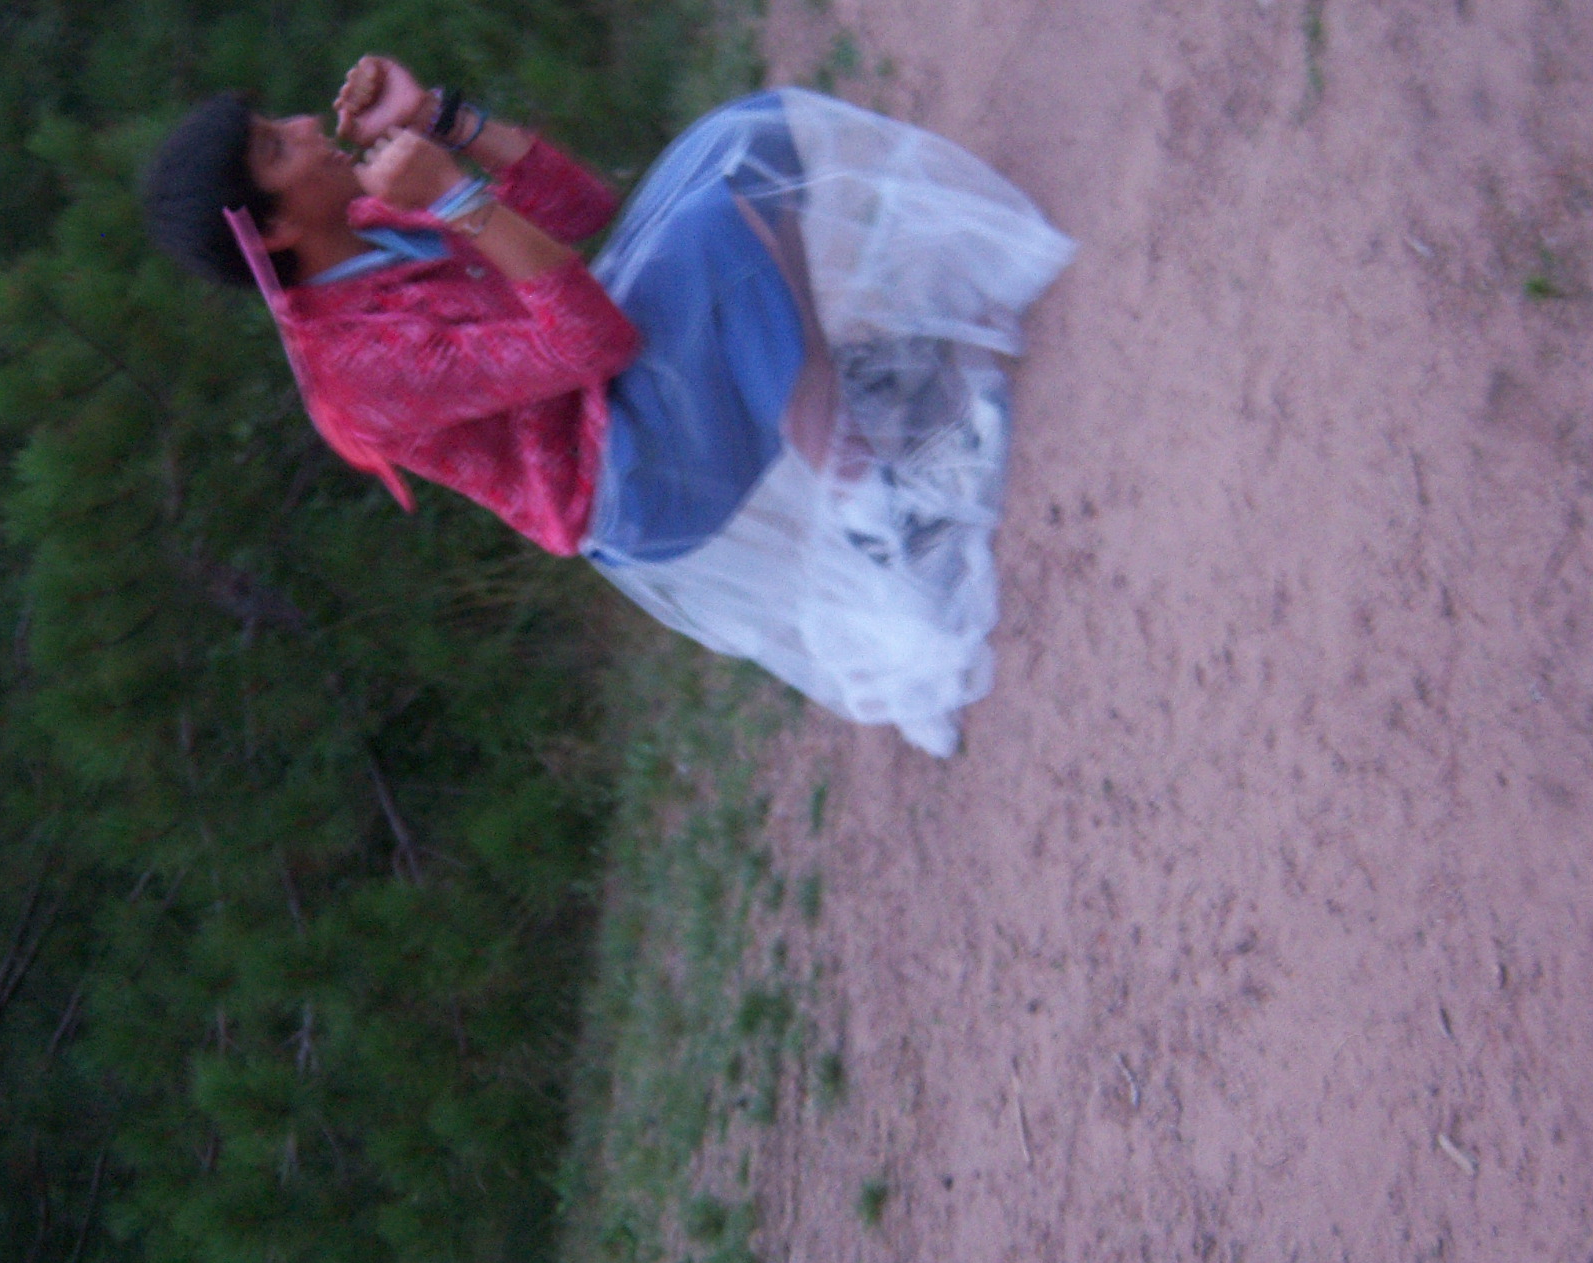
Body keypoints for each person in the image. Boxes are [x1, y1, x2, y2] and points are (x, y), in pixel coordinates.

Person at [140, 57, 1074, 755]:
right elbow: (592, 344)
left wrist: (441, 120)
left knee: (750, 138)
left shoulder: (376, 220)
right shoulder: (355, 365)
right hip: (631, 480)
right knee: (713, 229)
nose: (307, 124)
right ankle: (876, 506)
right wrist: (457, 199)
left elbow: (583, 212)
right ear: (273, 227)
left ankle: (846, 433)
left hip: (614, 390)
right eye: (277, 146)